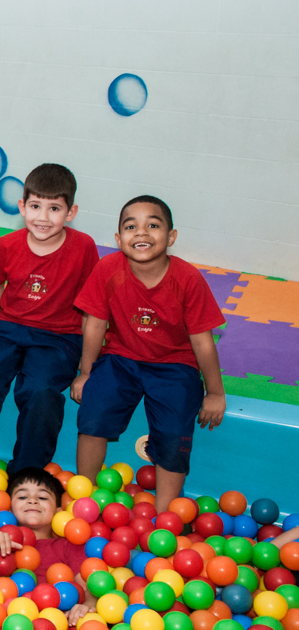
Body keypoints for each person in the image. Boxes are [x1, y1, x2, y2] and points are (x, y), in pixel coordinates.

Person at [0, 164, 99, 498]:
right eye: (36, 206)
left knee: (41, 393)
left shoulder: (84, 247)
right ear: (22, 206)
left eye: (54, 208)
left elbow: (92, 309)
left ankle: (25, 483)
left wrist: (86, 368)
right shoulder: (9, 244)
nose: (43, 217)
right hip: (6, 328)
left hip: (58, 337)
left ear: (70, 213)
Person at [72, 195, 226, 511]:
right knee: (93, 413)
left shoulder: (188, 279)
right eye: (131, 227)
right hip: (120, 358)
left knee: (173, 433)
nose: (141, 233)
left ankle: (164, 514)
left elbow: (202, 342)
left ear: (171, 237)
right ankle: (82, 497)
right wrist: (86, 373)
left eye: (152, 225)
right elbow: (95, 326)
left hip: (174, 365)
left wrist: (215, 392)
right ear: (118, 239)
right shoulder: (108, 269)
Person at [0, 468, 97, 625]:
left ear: (59, 510)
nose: (32, 500)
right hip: (9, 621)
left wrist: (87, 606)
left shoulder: (69, 545)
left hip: (57, 623)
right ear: (8, 508)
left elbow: (87, 588)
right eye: (22, 496)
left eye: (42, 497)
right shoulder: (2, 542)